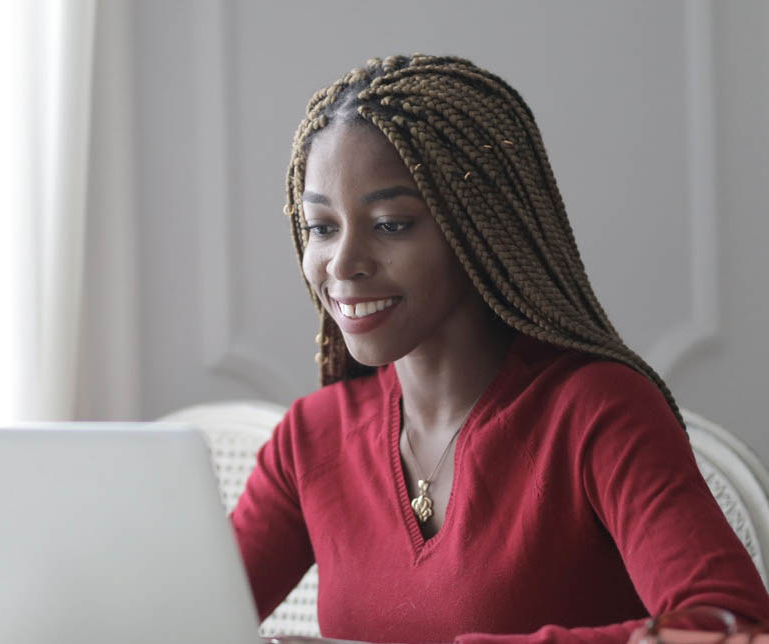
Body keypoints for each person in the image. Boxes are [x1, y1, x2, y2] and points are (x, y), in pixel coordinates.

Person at [230, 54, 769, 643]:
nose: (342, 263)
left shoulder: (597, 411)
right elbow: (173, 612)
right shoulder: (312, 438)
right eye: (322, 227)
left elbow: (731, 629)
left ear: (478, 228)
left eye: (390, 224)